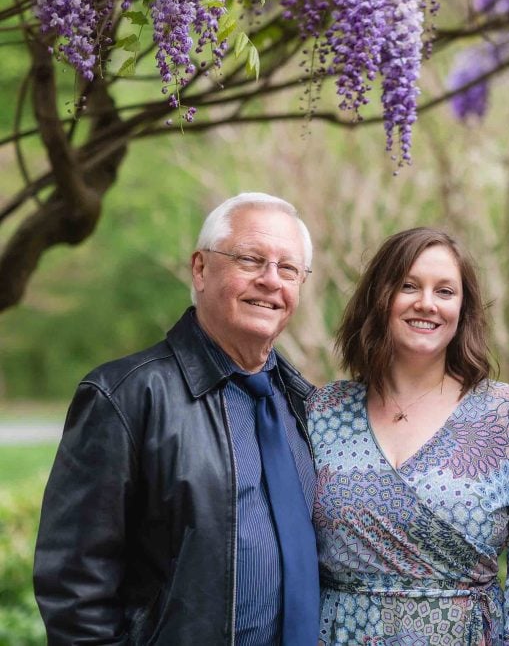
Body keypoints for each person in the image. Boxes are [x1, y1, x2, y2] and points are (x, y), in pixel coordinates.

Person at [34, 192, 320, 645]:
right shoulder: (126, 396)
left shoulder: (307, 406)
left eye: (288, 269)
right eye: (251, 259)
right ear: (201, 268)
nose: (271, 280)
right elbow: (74, 590)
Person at [307, 227, 509, 645]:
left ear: (463, 308)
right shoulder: (323, 410)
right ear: (379, 298)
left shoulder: (507, 414)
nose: (426, 303)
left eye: (445, 291)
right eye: (408, 286)